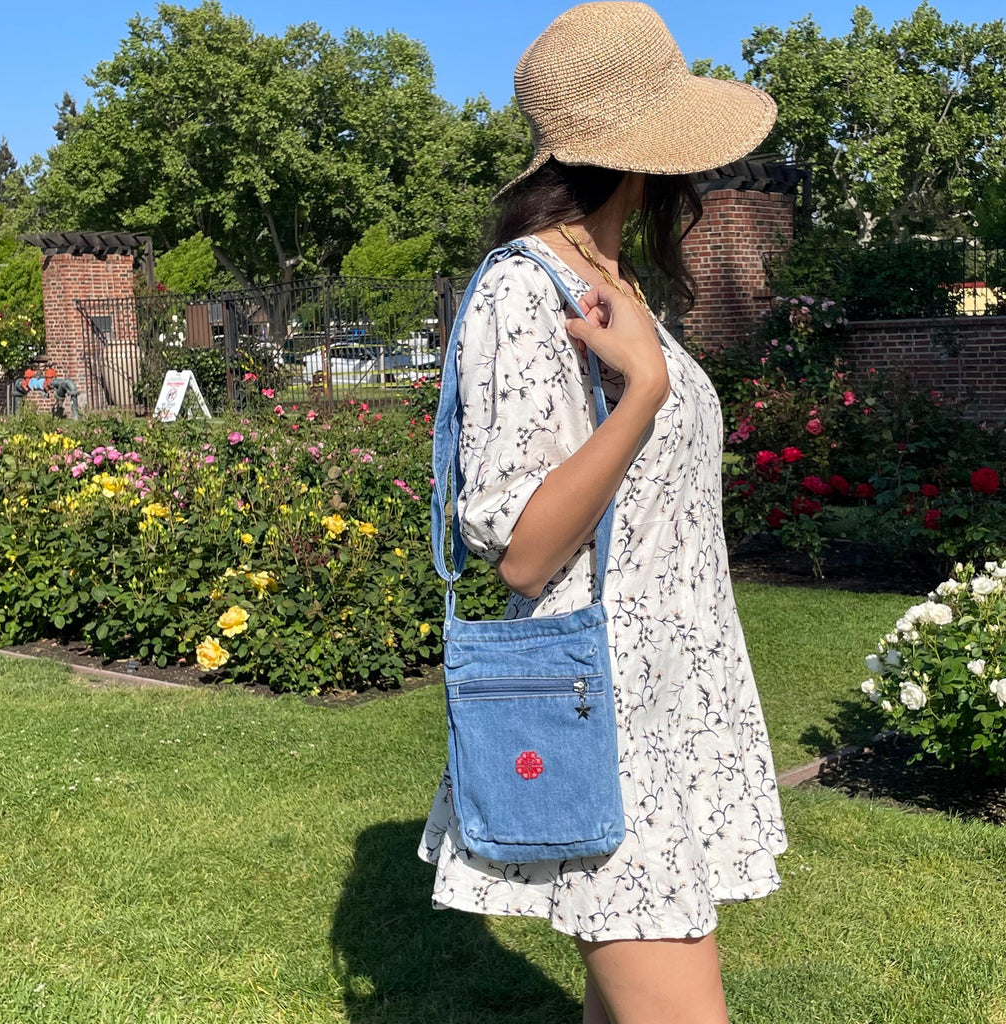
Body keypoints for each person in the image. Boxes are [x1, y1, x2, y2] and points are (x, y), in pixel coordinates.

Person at [418, 4, 787, 1021]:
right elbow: (524, 551)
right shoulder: (523, 289)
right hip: (603, 710)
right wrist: (645, 394)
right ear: (640, 151)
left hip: (669, 696)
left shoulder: (611, 282)